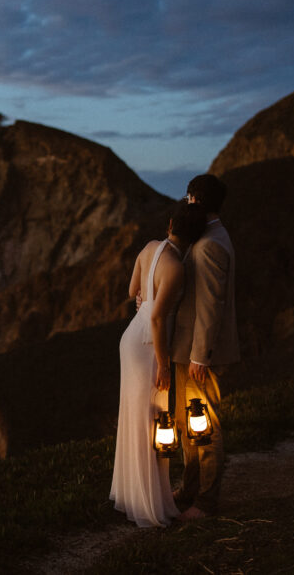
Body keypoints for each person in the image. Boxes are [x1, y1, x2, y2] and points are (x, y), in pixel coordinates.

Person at [110, 200, 206, 527]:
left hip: (130, 339)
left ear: (169, 226)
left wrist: (144, 300)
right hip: (150, 346)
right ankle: (151, 504)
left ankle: (132, 495)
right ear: (193, 239)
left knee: (136, 420)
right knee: (154, 421)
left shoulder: (150, 247)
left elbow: (132, 291)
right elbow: (156, 319)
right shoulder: (176, 268)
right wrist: (164, 364)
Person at [172, 174, 239, 521]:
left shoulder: (211, 244)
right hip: (187, 349)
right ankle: (190, 488)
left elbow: (211, 305)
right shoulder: (209, 236)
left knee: (204, 427)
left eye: (188, 198)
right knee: (187, 425)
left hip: (199, 355)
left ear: (195, 199)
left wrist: (200, 355)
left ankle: (207, 502)